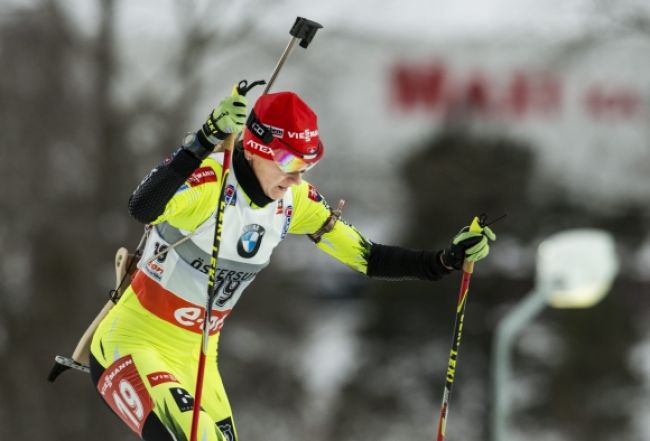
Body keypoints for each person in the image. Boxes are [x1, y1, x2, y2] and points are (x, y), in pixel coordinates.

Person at [89, 89, 496, 441]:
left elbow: (367, 256)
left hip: (198, 359)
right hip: (133, 344)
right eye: (289, 163)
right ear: (255, 147)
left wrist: (445, 260)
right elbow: (141, 207)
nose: (297, 177)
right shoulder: (209, 184)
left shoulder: (293, 202)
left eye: (307, 164)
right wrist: (202, 140)